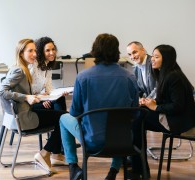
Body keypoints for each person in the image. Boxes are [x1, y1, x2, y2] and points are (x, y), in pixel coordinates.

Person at [59, 33, 139, 180]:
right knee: (120, 126)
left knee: (63, 118)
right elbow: (135, 113)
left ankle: (73, 167)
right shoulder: (130, 77)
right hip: (123, 141)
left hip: (93, 141)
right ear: (117, 52)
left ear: (94, 51)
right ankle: (113, 172)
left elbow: (75, 113)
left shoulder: (83, 77)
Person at [0, 39, 66, 172]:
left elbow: (24, 92)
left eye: (35, 50)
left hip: (20, 115)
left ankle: (53, 152)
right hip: (26, 118)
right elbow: (0, 91)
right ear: (21, 53)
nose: (34, 54)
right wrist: (26, 97)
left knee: (61, 113)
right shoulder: (20, 71)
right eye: (30, 51)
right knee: (64, 118)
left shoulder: (19, 68)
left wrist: (36, 97)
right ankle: (45, 153)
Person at [132, 44, 195, 177]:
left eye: (156, 57)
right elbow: (169, 101)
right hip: (176, 117)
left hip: (179, 122)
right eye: (153, 56)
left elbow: (177, 106)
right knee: (138, 117)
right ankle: (139, 168)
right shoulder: (167, 74)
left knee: (136, 120)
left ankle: (138, 169)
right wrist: (151, 102)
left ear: (166, 59)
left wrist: (155, 107)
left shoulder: (173, 77)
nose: (152, 59)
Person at [30, 36, 68, 112]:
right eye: (47, 50)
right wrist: (41, 98)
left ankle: (61, 120)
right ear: (41, 52)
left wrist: (60, 93)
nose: (52, 52)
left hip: (40, 98)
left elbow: (49, 88)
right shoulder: (33, 65)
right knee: (56, 105)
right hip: (31, 101)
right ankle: (61, 120)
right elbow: (25, 92)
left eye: (53, 49)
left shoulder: (48, 66)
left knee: (60, 98)